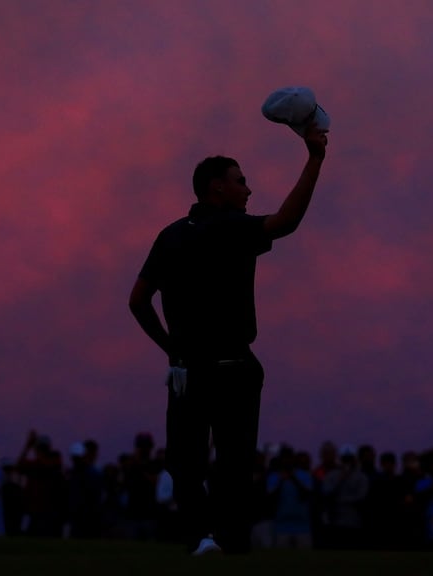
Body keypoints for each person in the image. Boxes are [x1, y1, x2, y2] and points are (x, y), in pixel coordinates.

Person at [129, 124, 328, 555]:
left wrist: (170, 348)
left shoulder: (171, 235)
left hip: (188, 369)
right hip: (233, 366)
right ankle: (223, 540)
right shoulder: (232, 227)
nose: (249, 189)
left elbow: (138, 301)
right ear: (216, 189)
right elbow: (287, 221)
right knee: (233, 465)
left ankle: (202, 537)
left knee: (185, 464)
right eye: (241, 181)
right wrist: (314, 159)